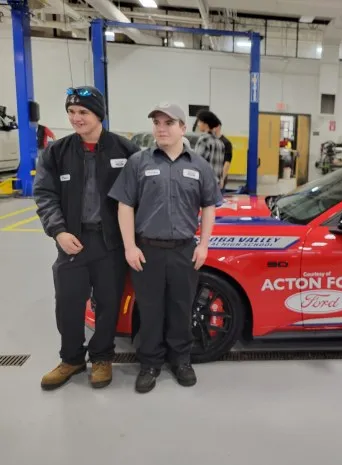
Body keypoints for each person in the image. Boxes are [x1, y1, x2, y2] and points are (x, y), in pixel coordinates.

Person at [108, 102, 222, 394]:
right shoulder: (139, 163)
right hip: (148, 251)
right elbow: (124, 205)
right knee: (150, 310)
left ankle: (181, 360)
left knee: (181, 308)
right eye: (157, 123)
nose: (161, 128)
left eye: (168, 123)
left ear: (183, 128)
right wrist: (130, 247)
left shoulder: (199, 166)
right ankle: (149, 364)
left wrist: (204, 245)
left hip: (185, 250)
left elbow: (209, 206)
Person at [33, 86, 139, 390]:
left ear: (99, 115)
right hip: (72, 242)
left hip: (111, 244)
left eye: (83, 112)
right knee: (68, 302)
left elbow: (141, 196)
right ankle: (71, 359)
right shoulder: (57, 152)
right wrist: (59, 231)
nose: (76, 118)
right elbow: (45, 193)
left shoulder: (125, 150)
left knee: (108, 303)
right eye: (71, 112)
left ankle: (102, 358)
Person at [194, 110, 231, 191]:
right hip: (216, 184)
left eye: (199, 122)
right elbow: (221, 165)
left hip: (204, 184)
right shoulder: (220, 142)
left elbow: (196, 163)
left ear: (205, 124)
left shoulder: (204, 139)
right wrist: (221, 180)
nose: (198, 124)